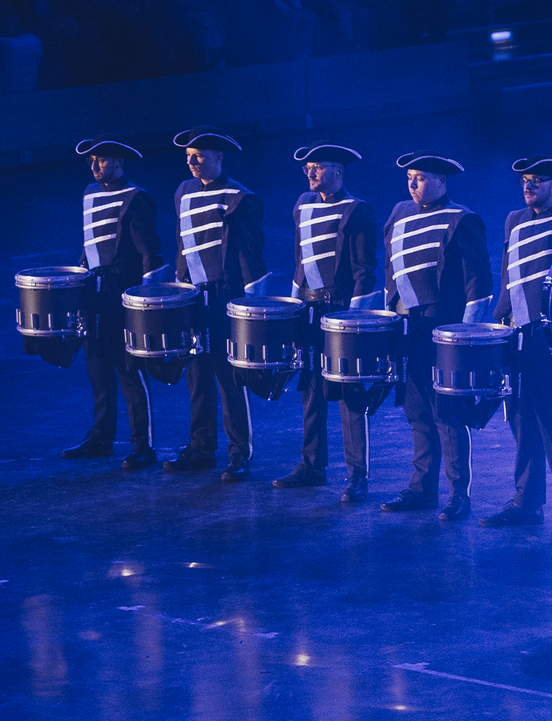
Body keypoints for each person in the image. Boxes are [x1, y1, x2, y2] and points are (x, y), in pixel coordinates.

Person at [378, 153, 496, 517]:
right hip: (409, 328)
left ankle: (458, 494)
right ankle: (421, 489)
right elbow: (390, 271)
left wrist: (465, 339)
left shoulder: (462, 220)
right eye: (410, 177)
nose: (412, 184)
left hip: (444, 332)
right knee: (417, 411)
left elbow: (480, 285)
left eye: (421, 178)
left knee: (448, 412)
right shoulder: (398, 214)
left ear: (443, 182)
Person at [271, 145, 382, 501]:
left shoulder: (357, 210)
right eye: (308, 167)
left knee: (350, 394)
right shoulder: (303, 204)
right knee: (310, 390)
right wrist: (293, 306)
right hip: (309, 309)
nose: (311, 173)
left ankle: (357, 476)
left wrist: (354, 321)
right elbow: (300, 261)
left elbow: (366, 272)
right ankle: (312, 465)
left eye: (318, 167)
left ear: (339, 171)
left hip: (341, 313)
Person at [488, 157, 552, 540]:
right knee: (520, 418)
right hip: (515, 335)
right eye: (524, 180)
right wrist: (497, 321)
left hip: (550, 339)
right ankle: (526, 503)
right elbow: (508, 276)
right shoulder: (514, 220)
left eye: (537, 180)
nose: (528, 186)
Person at [162, 127, 267, 480]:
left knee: (229, 377)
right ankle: (201, 447)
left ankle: (240, 453)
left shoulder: (240, 197)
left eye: (200, 156)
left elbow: (252, 256)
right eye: (188, 156)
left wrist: (247, 308)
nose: (192, 162)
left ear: (219, 158)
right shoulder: (183, 191)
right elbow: (181, 245)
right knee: (196, 375)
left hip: (225, 299)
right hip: (192, 298)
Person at [64, 138, 164, 470]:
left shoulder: (137, 198)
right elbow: (90, 241)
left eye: (102, 161)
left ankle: (143, 445)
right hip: (94, 291)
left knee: (129, 370)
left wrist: (144, 300)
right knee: (96, 365)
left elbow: (150, 253)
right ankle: (101, 438)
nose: (95, 167)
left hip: (122, 293)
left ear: (120, 163)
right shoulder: (90, 193)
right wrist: (79, 273)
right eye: (92, 161)